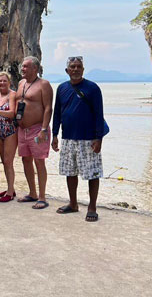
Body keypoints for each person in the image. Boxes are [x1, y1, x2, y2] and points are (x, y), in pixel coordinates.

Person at [52, 56, 105, 222]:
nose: (75, 69)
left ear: (83, 69)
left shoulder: (93, 88)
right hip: (68, 138)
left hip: (88, 139)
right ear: (67, 70)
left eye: (78, 66)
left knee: (92, 173)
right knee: (70, 172)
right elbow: (57, 113)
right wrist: (54, 135)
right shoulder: (61, 88)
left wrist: (98, 138)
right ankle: (73, 204)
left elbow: (99, 114)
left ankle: (92, 207)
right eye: (72, 67)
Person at [14, 56, 53, 209]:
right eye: (22, 66)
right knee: (25, 160)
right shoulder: (21, 83)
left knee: (39, 161)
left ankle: (42, 197)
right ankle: (32, 193)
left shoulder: (44, 85)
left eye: (25, 67)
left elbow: (48, 108)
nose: (22, 69)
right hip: (22, 130)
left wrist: (44, 129)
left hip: (37, 129)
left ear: (35, 69)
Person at [0, 72, 18, 202]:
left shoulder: (12, 95)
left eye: (4, 81)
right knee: (3, 161)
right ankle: (9, 188)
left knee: (8, 161)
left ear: (9, 82)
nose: (2, 83)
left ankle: (10, 192)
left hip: (10, 131)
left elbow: (12, 113)